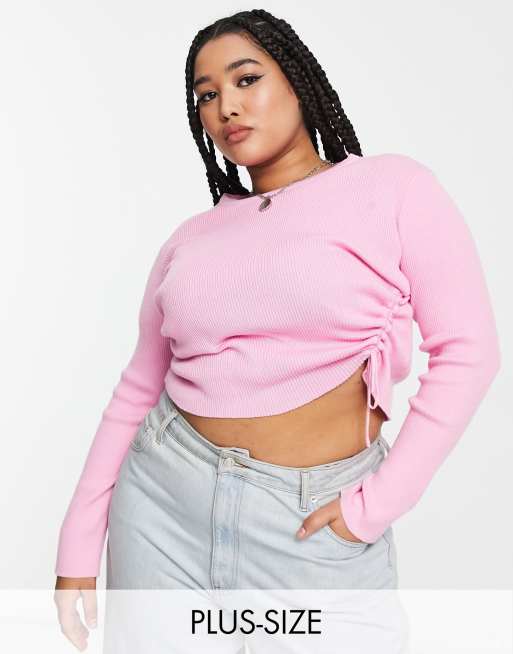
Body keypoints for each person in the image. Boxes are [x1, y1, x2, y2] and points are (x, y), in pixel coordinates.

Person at [53, 9, 501, 652]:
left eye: (246, 80)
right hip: (162, 510)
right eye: (206, 95)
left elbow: (469, 353)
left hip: (309, 522)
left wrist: (372, 508)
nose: (226, 107)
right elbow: (137, 390)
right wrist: (78, 543)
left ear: (297, 79)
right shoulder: (190, 239)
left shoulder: (392, 189)